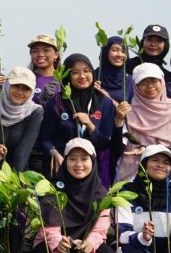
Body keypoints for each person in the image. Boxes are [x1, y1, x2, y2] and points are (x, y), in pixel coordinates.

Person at [24, 139, 115, 253]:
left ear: (93, 161)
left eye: (84, 159)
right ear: (65, 161)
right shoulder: (52, 189)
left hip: (83, 248)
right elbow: (49, 227)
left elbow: (100, 230)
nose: (78, 164)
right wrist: (58, 242)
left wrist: (90, 243)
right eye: (72, 159)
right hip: (57, 246)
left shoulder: (101, 194)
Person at [38, 54, 119, 183]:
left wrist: (90, 126)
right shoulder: (56, 102)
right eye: (75, 72)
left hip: (92, 171)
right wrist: (54, 153)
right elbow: (44, 139)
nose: (82, 76)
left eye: (86, 71)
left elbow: (105, 143)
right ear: (67, 76)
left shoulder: (103, 102)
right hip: (61, 167)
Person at [115, 63, 171, 182]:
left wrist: (148, 151)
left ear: (162, 81)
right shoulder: (128, 112)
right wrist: (118, 120)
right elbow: (117, 149)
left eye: (154, 81)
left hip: (164, 177)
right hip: (132, 177)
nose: (149, 86)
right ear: (136, 86)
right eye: (143, 82)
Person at [0, 67, 43, 172]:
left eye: (26, 89)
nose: (20, 92)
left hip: (19, 175)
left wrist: (13, 180)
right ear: (6, 85)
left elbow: (23, 151)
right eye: (16, 86)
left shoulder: (34, 112)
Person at [95, 36, 135, 104]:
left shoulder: (130, 80)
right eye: (114, 50)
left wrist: (108, 98)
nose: (119, 55)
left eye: (123, 51)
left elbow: (133, 109)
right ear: (106, 52)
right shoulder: (95, 76)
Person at [28, 34, 62, 105]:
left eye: (46, 50)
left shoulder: (65, 80)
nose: (40, 54)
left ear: (56, 54)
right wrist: (41, 100)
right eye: (35, 51)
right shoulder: (26, 79)